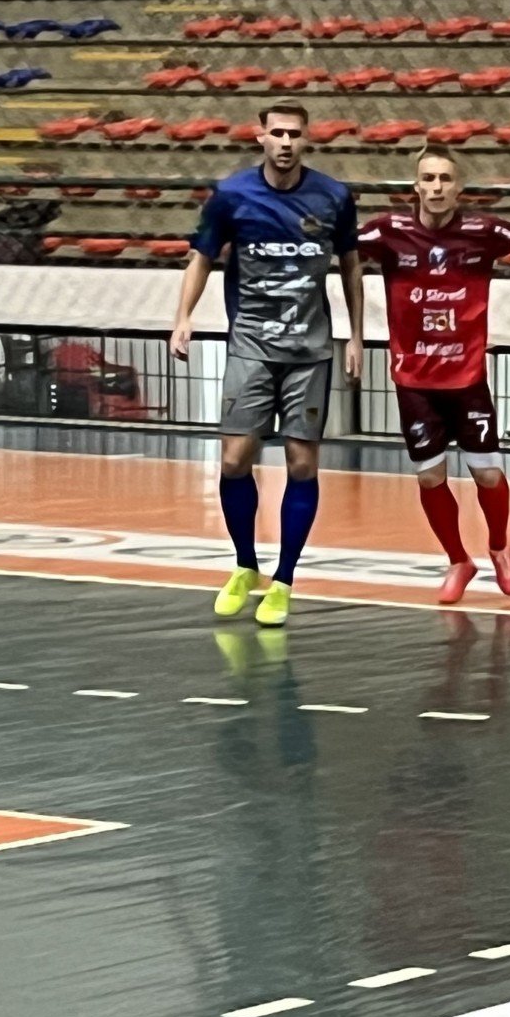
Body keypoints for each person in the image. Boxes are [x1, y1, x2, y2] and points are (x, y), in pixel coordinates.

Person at [358, 144, 510, 603]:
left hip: (466, 378)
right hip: (413, 381)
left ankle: (500, 547)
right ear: (415, 186)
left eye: (445, 179)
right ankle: (459, 561)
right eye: (428, 179)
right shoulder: (388, 231)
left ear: (458, 187)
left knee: (486, 474)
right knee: (429, 477)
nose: (436, 187)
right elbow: (338, 248)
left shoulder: (482, 230)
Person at [170, 102, 361, 627]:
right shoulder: (232, 194)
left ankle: (284, 581)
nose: (284, 141)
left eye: (294, 134)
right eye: (276, 132)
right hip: (250, 344)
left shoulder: (334, 196)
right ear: (260, 137)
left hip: (310, 350)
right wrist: (182, 317)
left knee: (302, 464)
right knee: (235, 459)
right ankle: (244, 565)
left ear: (306, 140)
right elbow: (202, 257)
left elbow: (350, 264)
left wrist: (357, 335)